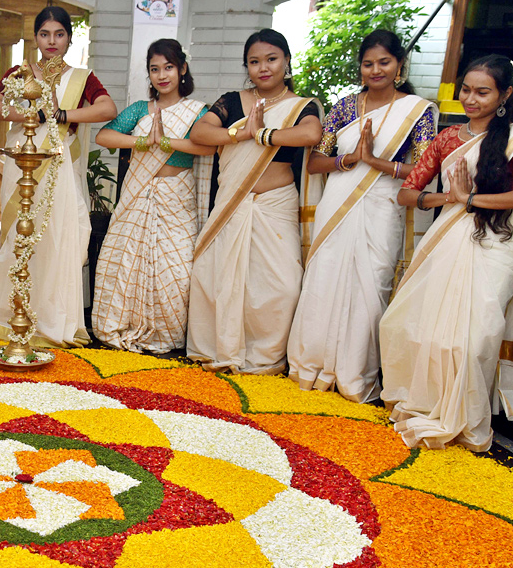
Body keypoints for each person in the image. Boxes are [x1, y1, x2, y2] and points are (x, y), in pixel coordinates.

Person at [381, 54, 513, 451]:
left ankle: (467, 416)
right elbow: (407, 193)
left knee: (473, 339)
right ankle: (428, 403)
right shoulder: (447, 138)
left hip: (496, 242)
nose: (470, 99)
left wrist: (472, 199)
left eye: (483, 92)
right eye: (466, 90)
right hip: (448, 237)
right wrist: (449, 198)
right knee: (412, 326)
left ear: (505, 94)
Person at [286, 30, 436, 403]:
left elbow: (424, 171)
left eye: (384, 62)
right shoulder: (345, 107)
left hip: (383, 206)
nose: (375, 70)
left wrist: (376, 163)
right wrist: (348, 160)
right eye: (368, 63)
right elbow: (316, 162)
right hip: (337, 202)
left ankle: (354, 372)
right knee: (324, 280)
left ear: (399, 65)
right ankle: (311, 364)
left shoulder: (417, 111)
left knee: (372, 286)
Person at [187, 28, 322, 374]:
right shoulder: (233, 101)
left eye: (271, 59)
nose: (263, 68)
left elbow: (310, 134)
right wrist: (241, 132)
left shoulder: (301, 106)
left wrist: (264, 135)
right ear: (246, 66)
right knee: (216, 275)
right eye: (254, 61)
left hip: (275, 205)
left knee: (281, 284)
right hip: (234, 200)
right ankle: (218, 348)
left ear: (287, 61)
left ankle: (263, 355)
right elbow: (201, 132)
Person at [0, 6, 118, 348]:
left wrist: (62, 114)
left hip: (59, 163)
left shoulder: (82, 77)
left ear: (69, 38)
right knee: (21, 236)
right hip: (23, 158)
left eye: (59, 34)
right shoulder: (21, 71)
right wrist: (30, 114)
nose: (52, 41)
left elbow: (107, 108)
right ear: (36, 37)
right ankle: (12, 315)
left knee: (60, 234)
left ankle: (52, 320)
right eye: (45, 34)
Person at [91, 39, 214, 353]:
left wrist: (168, 142)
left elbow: (207, 146)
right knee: (127, 262)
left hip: (178, 199)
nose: (162, 75)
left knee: (178, 271)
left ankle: (169, 335)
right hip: (140, 194)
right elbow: (104, 135)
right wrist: (142, 142)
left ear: (182, 69)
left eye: (169, 67)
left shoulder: (198, 111)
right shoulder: (140, 110)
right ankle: (124, 324)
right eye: (155, 69)